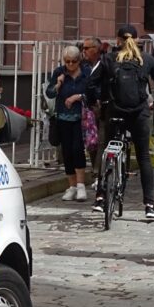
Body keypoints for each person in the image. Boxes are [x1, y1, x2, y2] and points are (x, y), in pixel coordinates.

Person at [87, 24, 154, 219]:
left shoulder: (108, 59)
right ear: (137, 40)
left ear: (118, 40)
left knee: (107, 149)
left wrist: (96, 102)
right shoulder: (147, 59)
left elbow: (90, 83)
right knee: (143, 157)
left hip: (114, 111)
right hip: (139, 113)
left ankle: (100, 197)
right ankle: (149, 205)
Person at [46, 46, 91, 202]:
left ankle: (81, 185)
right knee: (67, 152)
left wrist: (78, 97)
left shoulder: (86, 73)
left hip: (80, 118)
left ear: (79, 60)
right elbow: (49, 93)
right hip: (63, 118)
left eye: (73, 61)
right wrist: (58, 84)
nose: (70, 64)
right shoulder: (59, 72)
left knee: (78, 149)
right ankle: (72, 186)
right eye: (67, 61)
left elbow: (93, 93)